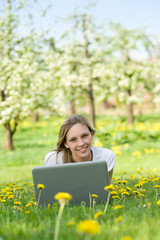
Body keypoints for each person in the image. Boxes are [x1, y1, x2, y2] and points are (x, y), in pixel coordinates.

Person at [44, 114, 115, 183]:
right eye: (73, 140)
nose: (81, 143)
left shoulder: (106, 157)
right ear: (65, 143)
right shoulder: (54, 159)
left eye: (84, 136)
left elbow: (104, 191)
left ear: (92, 134)